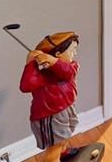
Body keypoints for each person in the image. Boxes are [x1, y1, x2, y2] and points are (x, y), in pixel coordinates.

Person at [19, 32, 81, 162]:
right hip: (50, 114)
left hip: (67, 107)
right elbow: (26, 86)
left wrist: (53, 62)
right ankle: (54, 158)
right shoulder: (41, 71)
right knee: (55, 144)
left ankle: (63, 152)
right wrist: (30, 63)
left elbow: (68, 73)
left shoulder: (71, 65)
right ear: (58, 54)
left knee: (68, 130)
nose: (75, 54)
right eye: (72, 50)